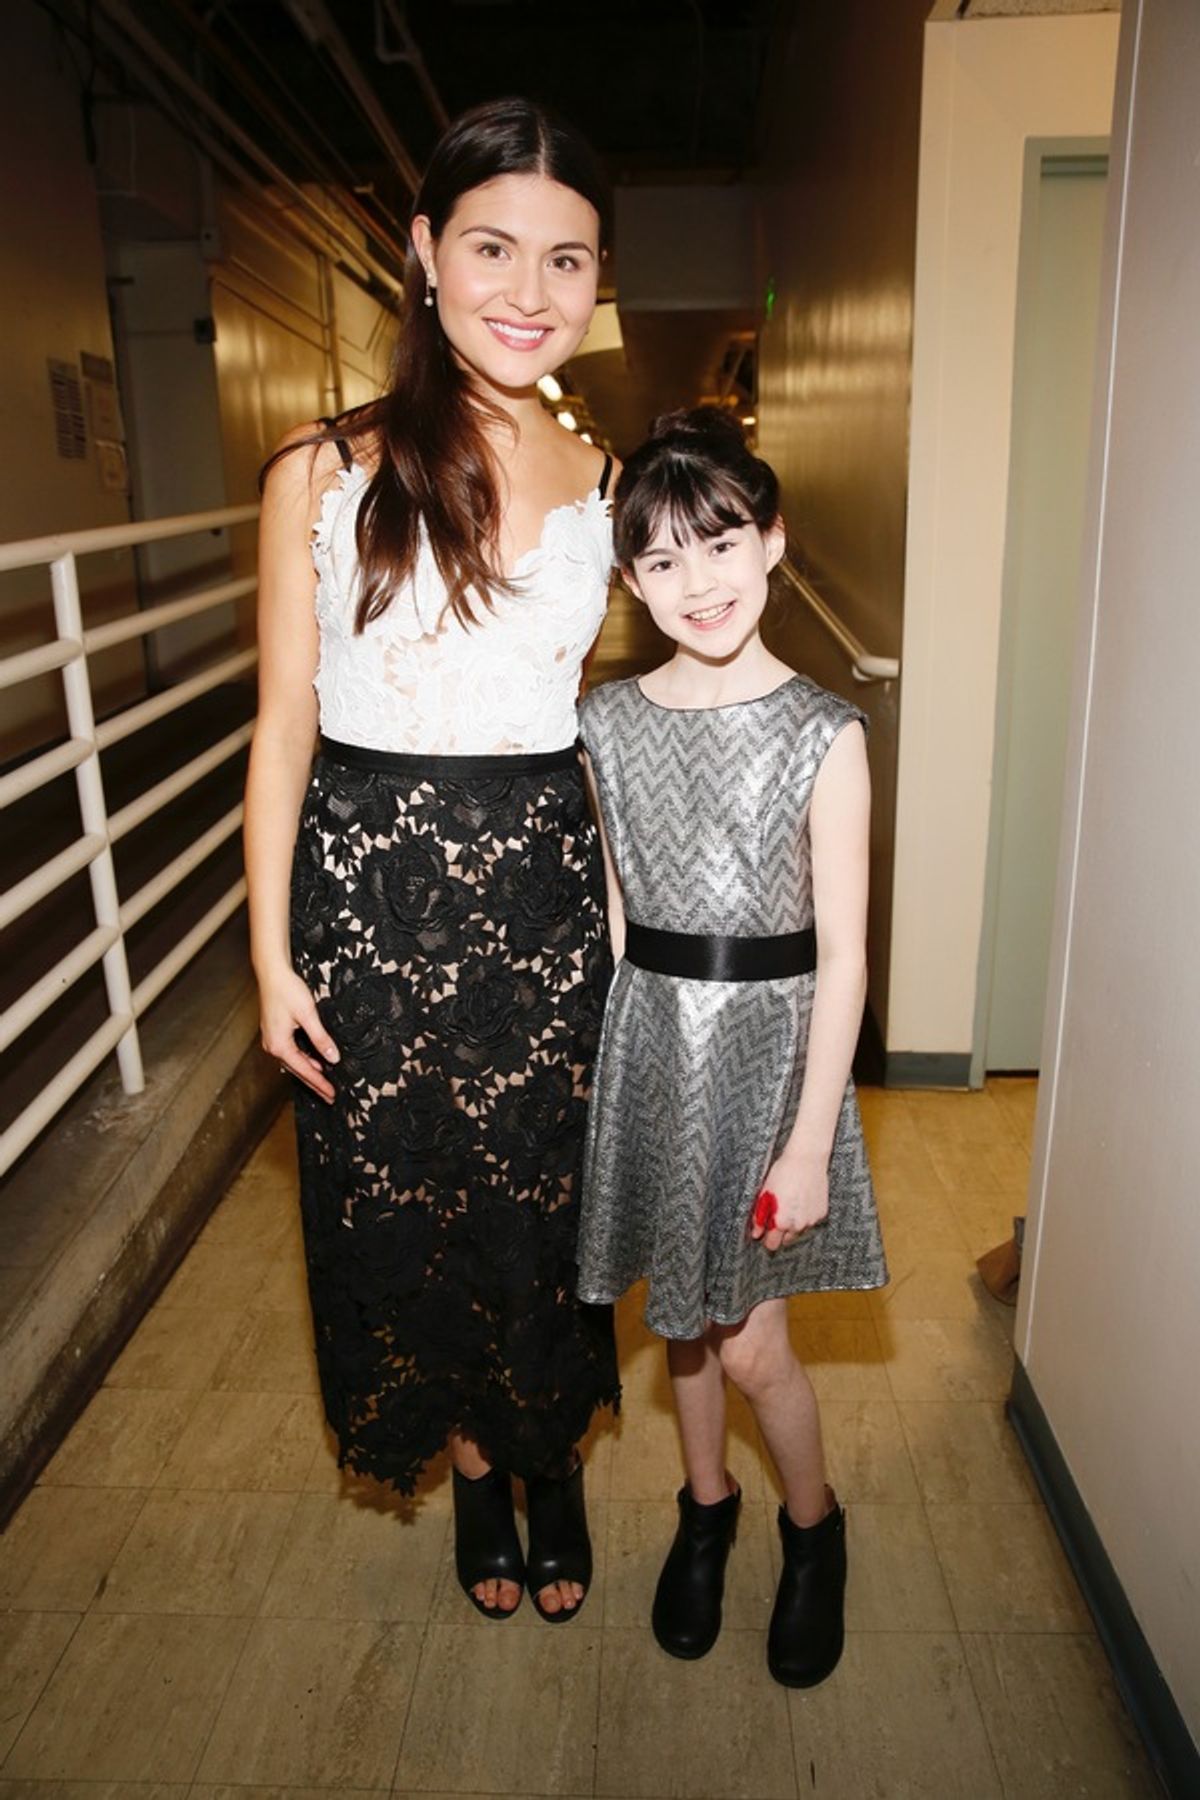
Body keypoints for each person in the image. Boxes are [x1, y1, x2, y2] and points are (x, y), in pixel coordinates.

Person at [244, 97, 620, 1625]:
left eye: (568, 260)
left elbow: (614, 722)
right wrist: (271, 960)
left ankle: (552, 1452)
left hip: (543, 893)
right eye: (491, 248)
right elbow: (280, 731)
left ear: (601, 285)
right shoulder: (321, 473)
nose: (529, 292)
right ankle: (476, 1462)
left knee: (544, 1202)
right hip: (372, 896)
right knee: (409, 1212)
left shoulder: (606, 478)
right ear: (421, 253)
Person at [576, 408, 887, 1685]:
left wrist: (809, 1144)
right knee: (682, 1327)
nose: (695, 583)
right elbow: (613, 904)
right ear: (631, 579)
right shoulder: (606, 721)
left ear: (770, 542)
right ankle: (707, 1512)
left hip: (770, 1064)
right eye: (659, 560)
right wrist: (609, 1068)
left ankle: (814, 1534)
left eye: (718, 545)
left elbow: (847, 956)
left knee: (754, 1342)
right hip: (655, 1047)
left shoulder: (826, 732)